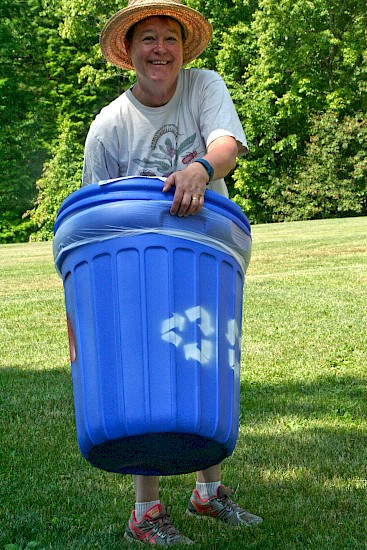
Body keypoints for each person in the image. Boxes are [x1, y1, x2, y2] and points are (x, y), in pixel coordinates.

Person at [82, 0, 263, 544]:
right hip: (137, 267)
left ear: (183, 50)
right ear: (130, 51)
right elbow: (93, 216)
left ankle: (209, 495)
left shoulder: (203, 86)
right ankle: (146, 511)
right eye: (148, 39)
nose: (160, 49)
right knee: (148, 374)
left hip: (208, 254)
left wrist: (201, 169)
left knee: (204, 360)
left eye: (170, 39)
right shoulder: (109, 126)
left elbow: (227, 145)